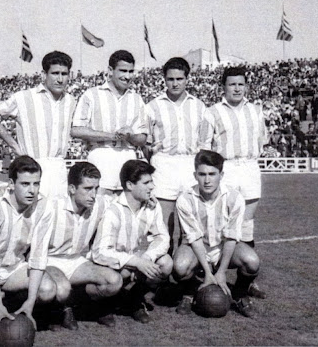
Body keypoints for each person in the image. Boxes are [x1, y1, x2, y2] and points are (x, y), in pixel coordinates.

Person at [0, 156, 56, 338]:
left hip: (14, 267)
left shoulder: (45, 207)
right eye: (25, 184)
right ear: (11, 184)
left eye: (36, 184)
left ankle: (19, 308)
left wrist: (31, 301)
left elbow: (38, 258)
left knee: (48, 289)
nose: (32, 190)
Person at [198, 65, 267, 299]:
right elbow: (205, 147)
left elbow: (261, 140)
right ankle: (212, 274)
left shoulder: (256, 110)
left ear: (246, 85)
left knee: (247, 225)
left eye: (240, 84)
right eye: (232, 84)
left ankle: (245, 283)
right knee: (221, 222)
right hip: (226, 168)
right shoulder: (212, 112)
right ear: (223, 87)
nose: (237, 88)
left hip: (249, 167)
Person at [173, 150, 261, 318]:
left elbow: (231, 237)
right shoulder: (185, 199)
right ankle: (189, 293)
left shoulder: (235, 198)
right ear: (195, 175)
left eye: (212, 174)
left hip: (223, 247)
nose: (207, 180)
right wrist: (207, 272)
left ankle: (240, 294)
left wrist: (221, 272)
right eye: (202, 174)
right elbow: (194, 238)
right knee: (180, 266)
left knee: (252, 261)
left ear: (221, 175)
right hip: (197, 248)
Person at [91, 160, 173, 323]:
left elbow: (163, 237)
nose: (151, 187)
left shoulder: (152, 205)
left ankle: (134, 301)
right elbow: (100, 252)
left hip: (137, 257)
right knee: (118, 277)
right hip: (111, 264)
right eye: (146, 182)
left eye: (151, 181)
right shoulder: (113, 209)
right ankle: (103, 305)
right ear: (129, 185)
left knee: (166, 263)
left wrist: (148, 258)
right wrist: (136, 262)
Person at [0, 51, 77, 197]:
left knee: (58, 216)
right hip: (30, 168)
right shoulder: (24, 97)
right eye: (55, 73)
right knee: (29, 216)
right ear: (44, 74)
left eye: (64, 74)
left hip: (59, 169)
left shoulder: (71, 101)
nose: (60, 79)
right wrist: (14, 146)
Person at [45, 162, 123, 329]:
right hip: (49, 260)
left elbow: (125, 200)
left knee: (114, 281)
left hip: (76, 261)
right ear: (72, 189)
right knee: (61, 289)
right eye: (88, 189)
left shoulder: (99, 204)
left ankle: (81, 304)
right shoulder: (51, 206)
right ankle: (58, 309)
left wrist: (147, 200)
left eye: (96, 188)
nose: (93, 194)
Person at [146, 57, 206, 253]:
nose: (175, 83)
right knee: (165, 225)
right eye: (170, 79)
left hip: (190, 165)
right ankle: (165, 274)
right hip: (164, 164)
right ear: (164, 79)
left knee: (191, 224)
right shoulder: (153, 106)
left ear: (187, 79)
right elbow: (146, 144)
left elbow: (204, 141)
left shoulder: (198, 106)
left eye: (179, 78)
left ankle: (186, 273)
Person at [71, 50, 148, 195]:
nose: (127, 76)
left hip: (128, 156)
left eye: (131, 71)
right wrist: (112, 136)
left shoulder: (137, 99)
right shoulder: (91, 95)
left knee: (126, 210)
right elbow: (76, 130)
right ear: (111, 70)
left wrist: (130, 136)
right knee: (98, 210)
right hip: (100, 156)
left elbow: (142, 138)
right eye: (123, 71)